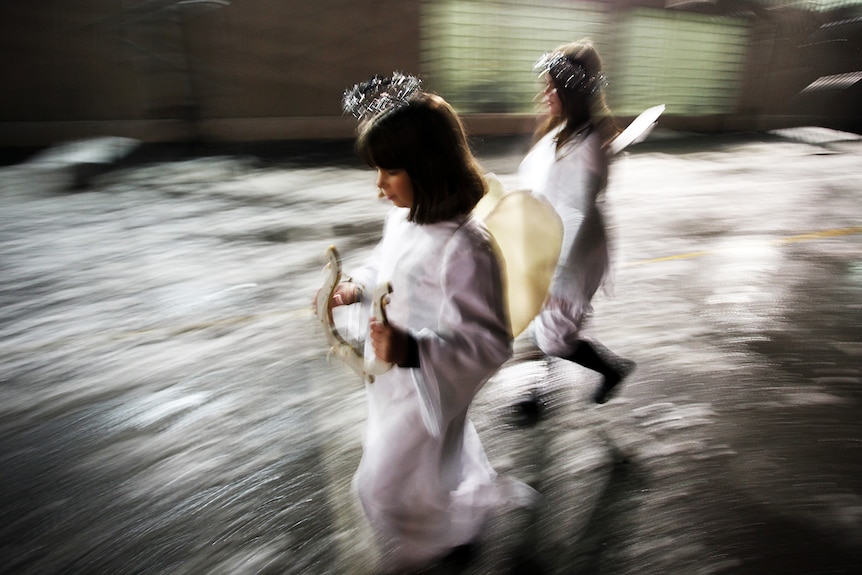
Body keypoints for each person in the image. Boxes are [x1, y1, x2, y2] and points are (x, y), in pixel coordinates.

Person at [328, 73, 534, 573]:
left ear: (429, 167)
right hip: (395, 384)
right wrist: (358, 286)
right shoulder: (405, 218)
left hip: (426, 386)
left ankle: (428, 554)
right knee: (421, 474)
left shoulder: (467, 247)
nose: (379, 188)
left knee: (379, 486)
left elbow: (488, 343)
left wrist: (415, 350)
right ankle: (461, 521)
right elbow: (386, 267)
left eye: (389, 171)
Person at [518, 39, 635, 404]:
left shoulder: (587, 146)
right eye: (546, 85)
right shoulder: (561, 131)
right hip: (548, 246)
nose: (545, 94)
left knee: (555, 334)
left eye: (553, 87)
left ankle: (611, 369)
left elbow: (578, 214)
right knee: (539, 319)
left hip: (573, 253)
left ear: (572, 92)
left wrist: (556, 271)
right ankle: (542, 387)